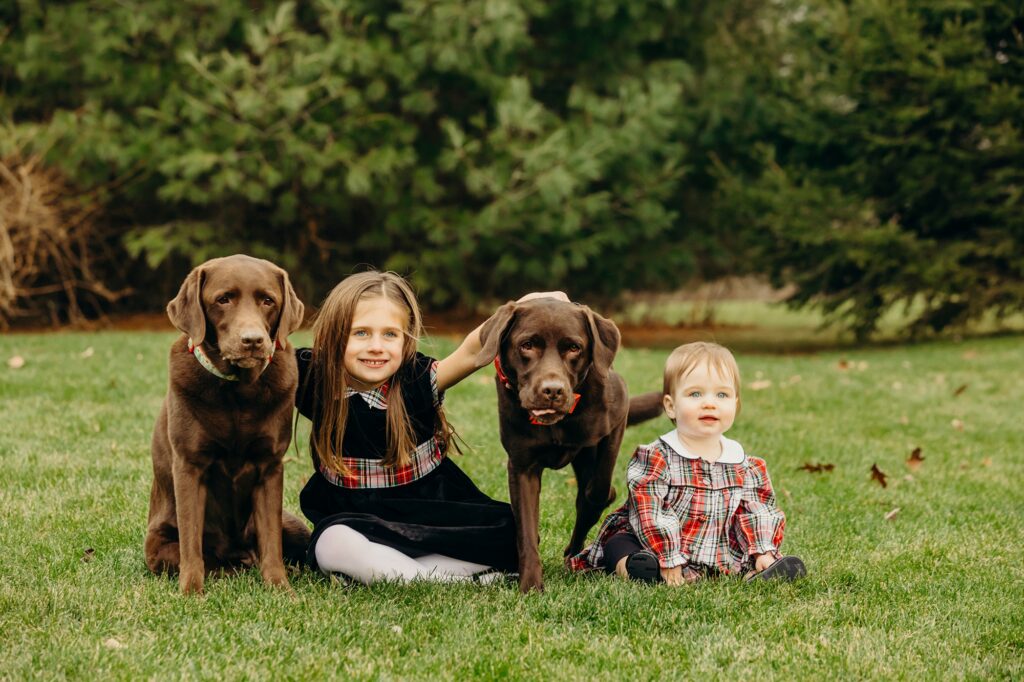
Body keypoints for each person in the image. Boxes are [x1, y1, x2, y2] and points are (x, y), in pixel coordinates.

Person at [295, 270, 562, 585]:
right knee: (332, 544)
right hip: (355, 518)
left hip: (432, 509)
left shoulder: (418, 379)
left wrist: (536, 302)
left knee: (511, 533)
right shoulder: (311, 377)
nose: (377, 346)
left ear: (407, 338)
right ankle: (452, 578)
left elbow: (475, 349)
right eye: (361, 333)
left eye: (390, 335)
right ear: (332, 334)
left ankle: (394, 573)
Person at [568, 341, 806, 584]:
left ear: (735, 404)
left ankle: (761, 567)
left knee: (745, 551)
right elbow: (649, 512)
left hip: (715, 546)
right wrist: (668, 555)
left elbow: (757, 509)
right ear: (671, 407)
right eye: (695, 394)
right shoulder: (657, 457)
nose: (710, 403)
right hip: (650, 540)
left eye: (722, 394)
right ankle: (634, 567)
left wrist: (762, 547)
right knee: (618, 544)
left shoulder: (743, 463)